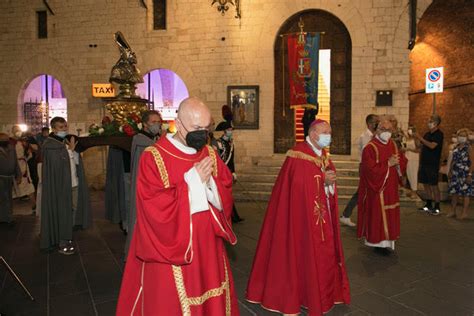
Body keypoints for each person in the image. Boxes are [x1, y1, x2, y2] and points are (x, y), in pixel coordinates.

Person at [116, 97, 239, 315]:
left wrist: (210, 181)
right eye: (196, 128)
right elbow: (153, 207)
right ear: (178, 124)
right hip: (172, 249)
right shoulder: (153, 157)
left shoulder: (209, 152)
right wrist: (193, 181)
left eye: (206, 127)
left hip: (208, 244)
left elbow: (225, 186)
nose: (203, 134)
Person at [246, 119, 350, 315]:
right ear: (313, 134)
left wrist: (328, 182)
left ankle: (320, 296)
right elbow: (300, 186)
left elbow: (325, 176)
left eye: (330, 132)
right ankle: (301, 296)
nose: (329, 136)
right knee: (301, 255)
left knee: (321, 255)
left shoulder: (321, 154)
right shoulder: (298, 155)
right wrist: (323, 180)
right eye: (325, 132)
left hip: (319, 217)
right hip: (300, 219)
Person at [40, 117, 92, 255]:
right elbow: (57, 166)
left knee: (72, 211)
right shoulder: (50, 145)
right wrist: (70, 150)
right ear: (54, 129)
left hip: (73, 183)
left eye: (65, 127)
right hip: (61, 187)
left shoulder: (64, 143)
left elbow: (73, 163)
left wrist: (73, 151)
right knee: (63, 212)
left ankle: (67, 234)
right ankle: (62, 240)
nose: (64, 129)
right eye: (61, 127)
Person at [357, 116, 407, 255]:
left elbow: (401, 163)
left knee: (390, 213)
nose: (387, 132)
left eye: (389, 130)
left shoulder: (393, 144)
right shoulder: (370, 148)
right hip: (377, 190)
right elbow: (369, 171)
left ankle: (388, 242)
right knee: (378, 215)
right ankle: (377, 244)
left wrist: (399, 162)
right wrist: (387, 164)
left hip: (391, 188)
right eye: (384, 129)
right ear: (377, 130)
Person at [124, 110, 162, 257]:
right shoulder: (142, 142)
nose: (157, 125)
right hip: (145, 188)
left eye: (159, 122)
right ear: (145, 124)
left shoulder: (152, 139)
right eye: (153, 122)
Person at [340, 114, 379, 227]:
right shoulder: (365, 136)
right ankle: (346, 215)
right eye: (376, 122)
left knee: (365, 192)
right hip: (366, 167)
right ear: (370, 124)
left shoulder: (373, 135)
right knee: (362, 192)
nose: (377, 124)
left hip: (371, 167)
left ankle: (348, 215)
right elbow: (369, 151)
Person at [215, 120, 244, 223]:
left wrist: (233, 172)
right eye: (228, 129)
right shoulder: (219, 143)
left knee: (229, 194)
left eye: (231, 129)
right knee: (223, 195)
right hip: (221, 173)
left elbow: (231, 160)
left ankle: (233, 216)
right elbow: (218, 160)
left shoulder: (231, 143)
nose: (230, 131)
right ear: (224, 131)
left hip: (228, 172)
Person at [415, 114, 444, 215]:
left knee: (434, 185)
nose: (428, 123)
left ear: (436, 123)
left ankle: (437, 206)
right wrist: (415, 137)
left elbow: (432, 146)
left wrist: (421, 139)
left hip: (433, 163)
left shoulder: (439, 134)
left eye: (430, 121)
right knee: (425, 184)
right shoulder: (427, 134)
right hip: (424, 162)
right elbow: (419, 146)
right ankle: (428, 204)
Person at [447, 128, 473, 219]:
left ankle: (464, 212)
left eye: (463, 136)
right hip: (455, 172)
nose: (461, 137)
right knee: (454, 192)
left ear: (467, 137)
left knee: (465, 193)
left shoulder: (468, 147)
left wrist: (470, 174)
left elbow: (472, 161)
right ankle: (453, 211)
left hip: (465, 172)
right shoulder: (456, 147)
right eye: (460, 135)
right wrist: (450, 170)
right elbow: (453, 160)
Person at [0, 133, 21, 225]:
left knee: (9, 198)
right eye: (3, 140)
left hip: (10, 177)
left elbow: (16, 162)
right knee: (3, 198)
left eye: (6, 139)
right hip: (1, 177)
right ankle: (4, 218)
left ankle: (8, 216)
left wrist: (19, 175)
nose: (5, 141)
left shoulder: (11, 148)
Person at [10, 125, 35, 200]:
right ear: (12, 132)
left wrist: (25, 157)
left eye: (18, 130)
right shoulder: (9, 141)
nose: (17, 132)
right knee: (12, 186)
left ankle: (34, 205)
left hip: (23, 165)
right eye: (15, 130)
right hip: (12, 165)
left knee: (28, 185)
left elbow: (29, 153)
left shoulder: (24, 141)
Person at [404, 126, 420, 198]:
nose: (409, 130)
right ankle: (411, 189)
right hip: (407, 157)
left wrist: (409, 149)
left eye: (410, 129)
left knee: (413, 174)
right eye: (408, 129)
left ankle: (415, 191)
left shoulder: (416, 139)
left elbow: (418, 150)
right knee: (409, 174)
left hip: (414, 157)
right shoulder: (407, 138)